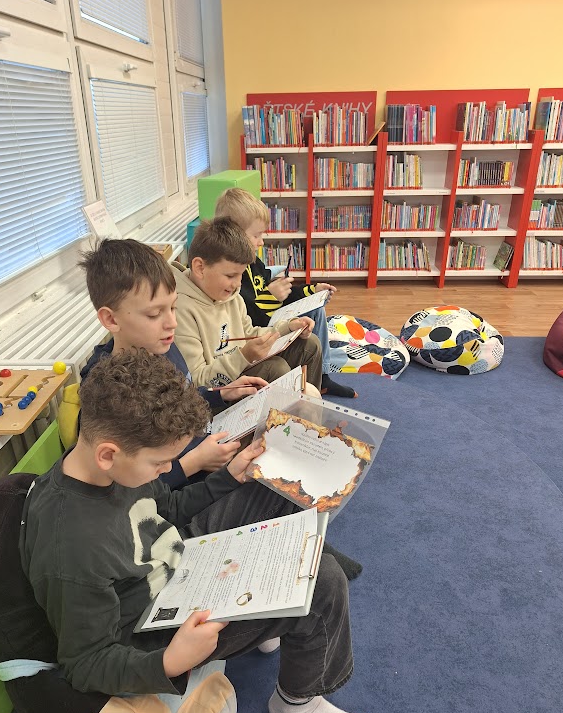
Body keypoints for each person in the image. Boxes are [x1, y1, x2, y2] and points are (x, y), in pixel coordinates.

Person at [19, 350, 378, 713]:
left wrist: (229, 477)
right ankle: (297, 706)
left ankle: (275, 610)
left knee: (279, 480)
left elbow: (163, 509)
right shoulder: (72, 549)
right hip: (156, 625)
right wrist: (170, 661)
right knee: (323, 583)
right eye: (160, 462)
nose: (168, 469)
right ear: (108, 453)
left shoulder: (107, 466)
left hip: (182, 555)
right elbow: (85, 663)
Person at [78, 238, 268, 490]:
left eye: (173, 308)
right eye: (154, 314)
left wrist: (220, 394)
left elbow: (178, 399)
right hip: (186, 485)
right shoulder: (106, 391)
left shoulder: (161, 346)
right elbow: (128, 487)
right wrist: (194, 463)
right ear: (111, 319)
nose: (172, 323)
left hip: (208, 444)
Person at [214, 188, 357, 399]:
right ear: (234, 235)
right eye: (256, 235)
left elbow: (281, 295)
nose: (261, 242)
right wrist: (271, 297)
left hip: (270, 321)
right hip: (260, 331)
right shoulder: (230, 277)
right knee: (302, 343)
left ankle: (322, 377)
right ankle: (306, 387)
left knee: (316, 308)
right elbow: (250, 322)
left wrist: (311, 290)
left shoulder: (254, 264)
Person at [172, 217, 323, 390]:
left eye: (241, 275)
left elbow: (249, 333)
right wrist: (243, 357)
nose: (237, 284)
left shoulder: (231, 295)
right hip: (218, 391)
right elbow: (197, 382)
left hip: (241, 364)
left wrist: (287, 328)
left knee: (309, 344)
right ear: (200, 267)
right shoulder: (179, 309)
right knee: (276, 368)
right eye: (230, 276)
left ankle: (307, 403)